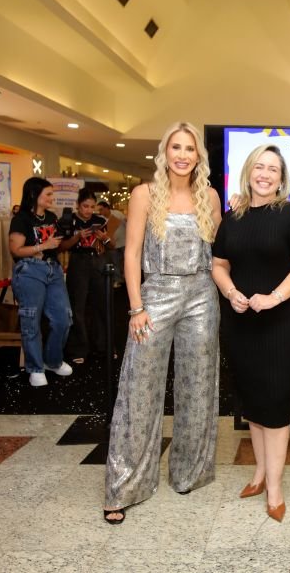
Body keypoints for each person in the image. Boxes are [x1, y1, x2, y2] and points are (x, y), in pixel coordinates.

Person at [103, 122, 222, 524]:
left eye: (190, 148)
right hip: (155, 295)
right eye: (176, 147)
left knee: (199, 385)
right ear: (164, 152)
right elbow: (132, 253)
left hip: (202, 297)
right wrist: (136, 307)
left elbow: (218, 254)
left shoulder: (209, 196)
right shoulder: (144, 194)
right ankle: (124, 485)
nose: (183, 154)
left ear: (198, 156)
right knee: (139, 388)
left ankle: (189, 472)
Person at [212, 144, 290, 523]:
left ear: (281, 177)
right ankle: (258, 473)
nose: (265, 174)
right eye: (260, 166)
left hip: (279, 324)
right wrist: (231, 292)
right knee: (252, 403)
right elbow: (219, 264)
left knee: (274, 404)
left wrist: (274, 297)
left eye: (273, 169)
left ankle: (275, 487)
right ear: (249, 171)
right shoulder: (233, 217)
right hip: (240, 323)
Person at [7, 177, 74, 387]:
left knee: (63, 318)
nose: (52, 198)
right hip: (29, 270)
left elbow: (57, 246)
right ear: (34, 195)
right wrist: (43, 246)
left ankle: (52, 360)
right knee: (31, 320)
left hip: (52, 269)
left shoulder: (52, 217)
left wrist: (70, 236)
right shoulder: (21, 219)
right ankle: (35, 367)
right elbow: (15, 250)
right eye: (48, 194)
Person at [64, 188, 112, 364]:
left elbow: (110, 245)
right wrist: (78, 237)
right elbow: (62, 246)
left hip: (97, 260)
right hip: (78, 261)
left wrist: (104, 238)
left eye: (92, 207)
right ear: (78, 205)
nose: (89, 210)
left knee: (101, 305)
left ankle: (103, 346)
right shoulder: (70, 220)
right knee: (78, 306)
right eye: (85, 206)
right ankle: (78, 348)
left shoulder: (99, 220)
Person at [97, 200, 127, 285]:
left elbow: (127, 223)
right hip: (113, 245)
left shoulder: (117, 214)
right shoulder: (101, 219)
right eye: (99, 210)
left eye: (101, 209)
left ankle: (127, 279)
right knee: (115, 262)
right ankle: (118, 280)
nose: (100, 212)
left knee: (126, 262)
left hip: (124, 241)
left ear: (107, 208)